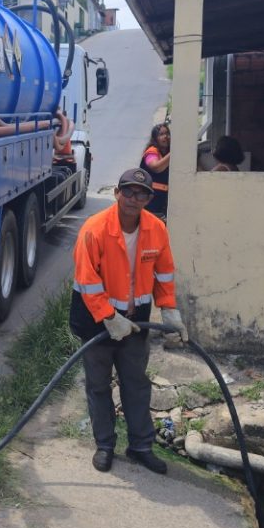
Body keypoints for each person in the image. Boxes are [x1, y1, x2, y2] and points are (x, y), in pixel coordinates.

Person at [71, 167, 184, 476]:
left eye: (142, 194)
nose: (135, 199)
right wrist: (109, 317)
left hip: (135, 322)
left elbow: (164, 272)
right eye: (129, 192)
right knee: (98, 385)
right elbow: (87, 281)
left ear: (149, 199)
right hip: (95, 321)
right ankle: (105, 445)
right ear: (117, 193)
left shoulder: (156, 229)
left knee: (136, 383)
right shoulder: (94, 229)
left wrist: (169, 310)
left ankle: (141, 447)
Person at [140, 122, 171, 217]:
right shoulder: (152, 152)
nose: (165, 136)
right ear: (155, 138)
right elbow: (156, 167)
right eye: (161, 134)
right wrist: (174, 152)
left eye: (167, 133)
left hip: (163, 199)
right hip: (149, 199)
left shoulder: (167, 152)